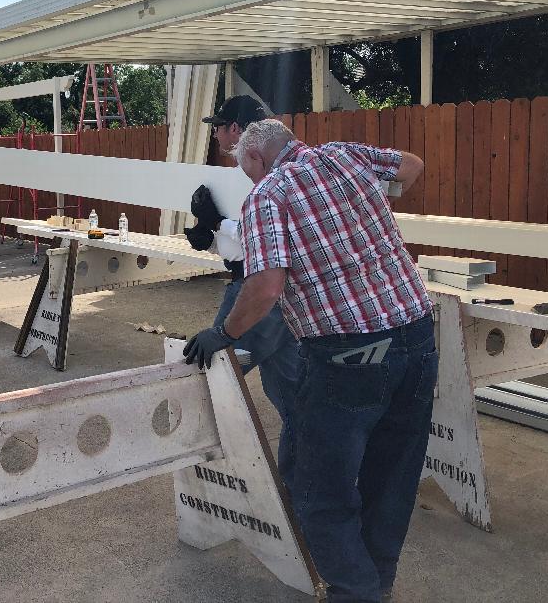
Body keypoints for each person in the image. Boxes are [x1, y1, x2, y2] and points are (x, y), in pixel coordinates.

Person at [183, 119, 432, 603]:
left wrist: (222, 333)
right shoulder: (343, 155)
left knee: (316, 485)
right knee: (392, 475)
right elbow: (412, 166)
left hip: (349, 354)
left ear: (256, 159)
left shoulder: (266, 197)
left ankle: (355, 592)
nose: (248, 178)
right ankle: (377, 581)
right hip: (416, 340)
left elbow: (265, 287)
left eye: (246, 168)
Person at [184, 95, 302, 490]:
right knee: (292, 389)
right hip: (271, 289)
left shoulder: (267, 180)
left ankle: (213, 476)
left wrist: (221, 224)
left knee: (214, 375)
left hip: (258, 290)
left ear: (238, 130)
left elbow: (266, 243)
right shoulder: (242, 176)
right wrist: (211, 235)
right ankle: (310, 471)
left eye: (220, 125)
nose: (216, 133)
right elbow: (244, 242)